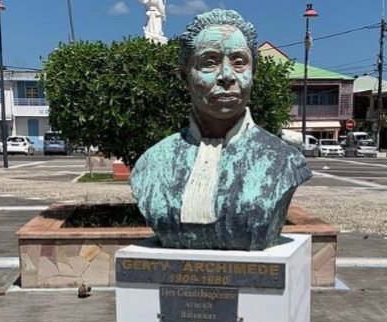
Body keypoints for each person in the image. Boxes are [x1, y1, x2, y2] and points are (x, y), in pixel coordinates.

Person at [130, 9, 312, 251]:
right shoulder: (152, 164)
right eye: (209, 62)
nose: (227, 76)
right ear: (185, 76)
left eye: (239, 63)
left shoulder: (285, 162)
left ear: (253, 73)